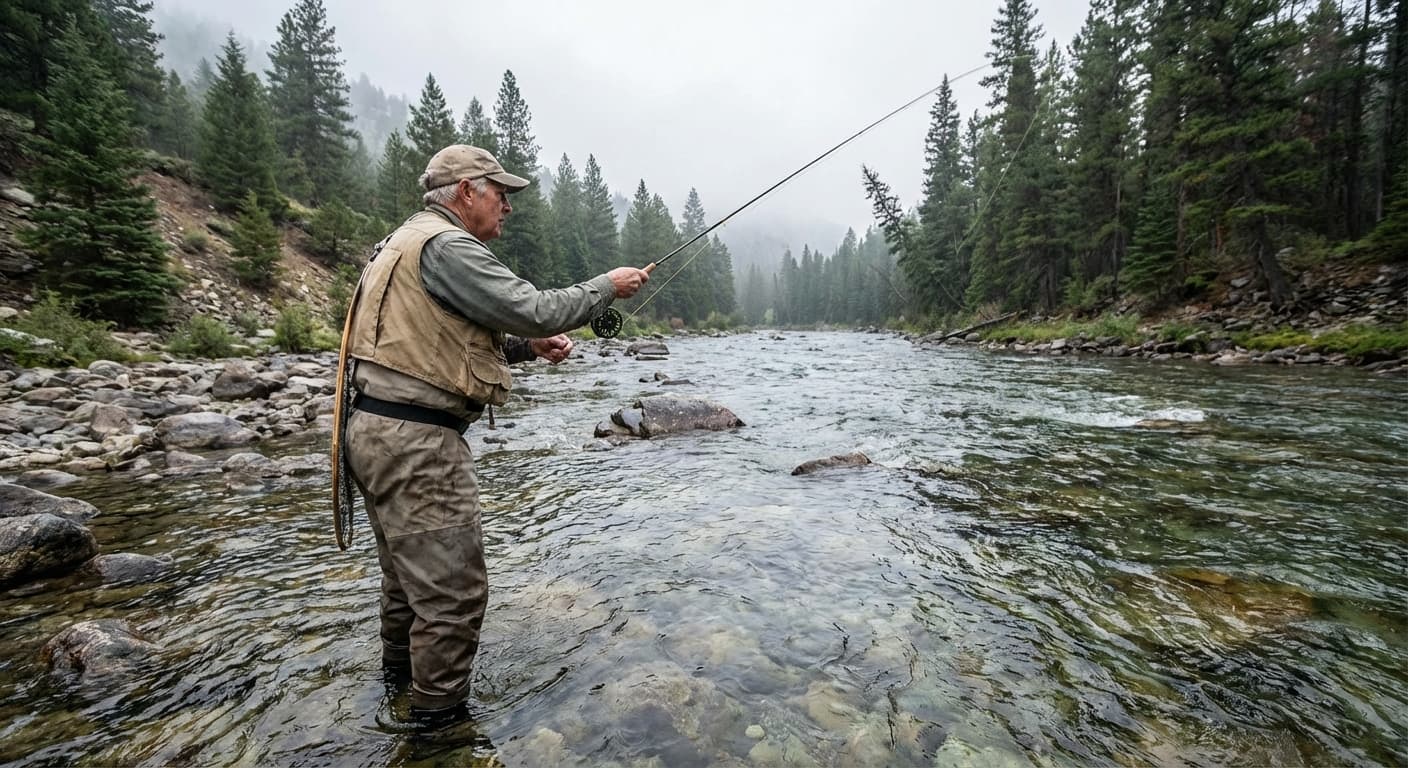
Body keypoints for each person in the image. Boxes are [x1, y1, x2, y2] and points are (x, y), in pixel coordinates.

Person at [341, 144, 649, 723]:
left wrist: (524, 350)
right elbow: (533, 307)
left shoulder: (402, 240)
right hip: (415, 444)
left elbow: (429, 343)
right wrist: (606, 286)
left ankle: (395, 693)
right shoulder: (449, 245)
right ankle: (436, 730)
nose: (507, 206)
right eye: (499, 193)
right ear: (465, 193)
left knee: (408, 585)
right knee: (452, 595)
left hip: (372, 431)